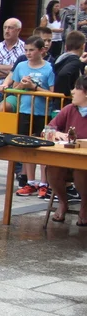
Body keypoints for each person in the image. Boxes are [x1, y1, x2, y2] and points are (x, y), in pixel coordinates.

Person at [11, 36, 56, 198]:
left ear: (41, 50)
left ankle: (44, 183)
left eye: (32, 50)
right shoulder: (21, 66)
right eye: (26, 50)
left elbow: (53, 93)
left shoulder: (49, 68)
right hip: (25, 111)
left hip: (42, 112)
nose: (28, 53)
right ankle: (30, 182)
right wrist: (22, 85)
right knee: (27, 147)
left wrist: (34, 87)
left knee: (43, 147)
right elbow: (14, 88)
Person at [45, 75, 87, 224]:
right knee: (53, 168)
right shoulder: (69, 109)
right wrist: (57, 134)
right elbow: (48, 129)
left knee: (81, 170)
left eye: (77, 88)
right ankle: (63, 201)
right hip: (67, 158)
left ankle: (84, 206)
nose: (72, 91)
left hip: (83, 162)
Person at [0, 18, 25, 83]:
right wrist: (13, 72)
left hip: (15, 88)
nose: (6, 31)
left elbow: (24, 72)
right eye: (5, 28)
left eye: (10, 28)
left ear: (18, 30)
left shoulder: (25, 49)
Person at [54, 31, 86, 97]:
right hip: (65, 100)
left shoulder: (59, 59)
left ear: (65, 47)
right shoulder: (75, 62)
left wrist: (81, 63)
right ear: (83, 46)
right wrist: (68, 93)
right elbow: (63, 74)